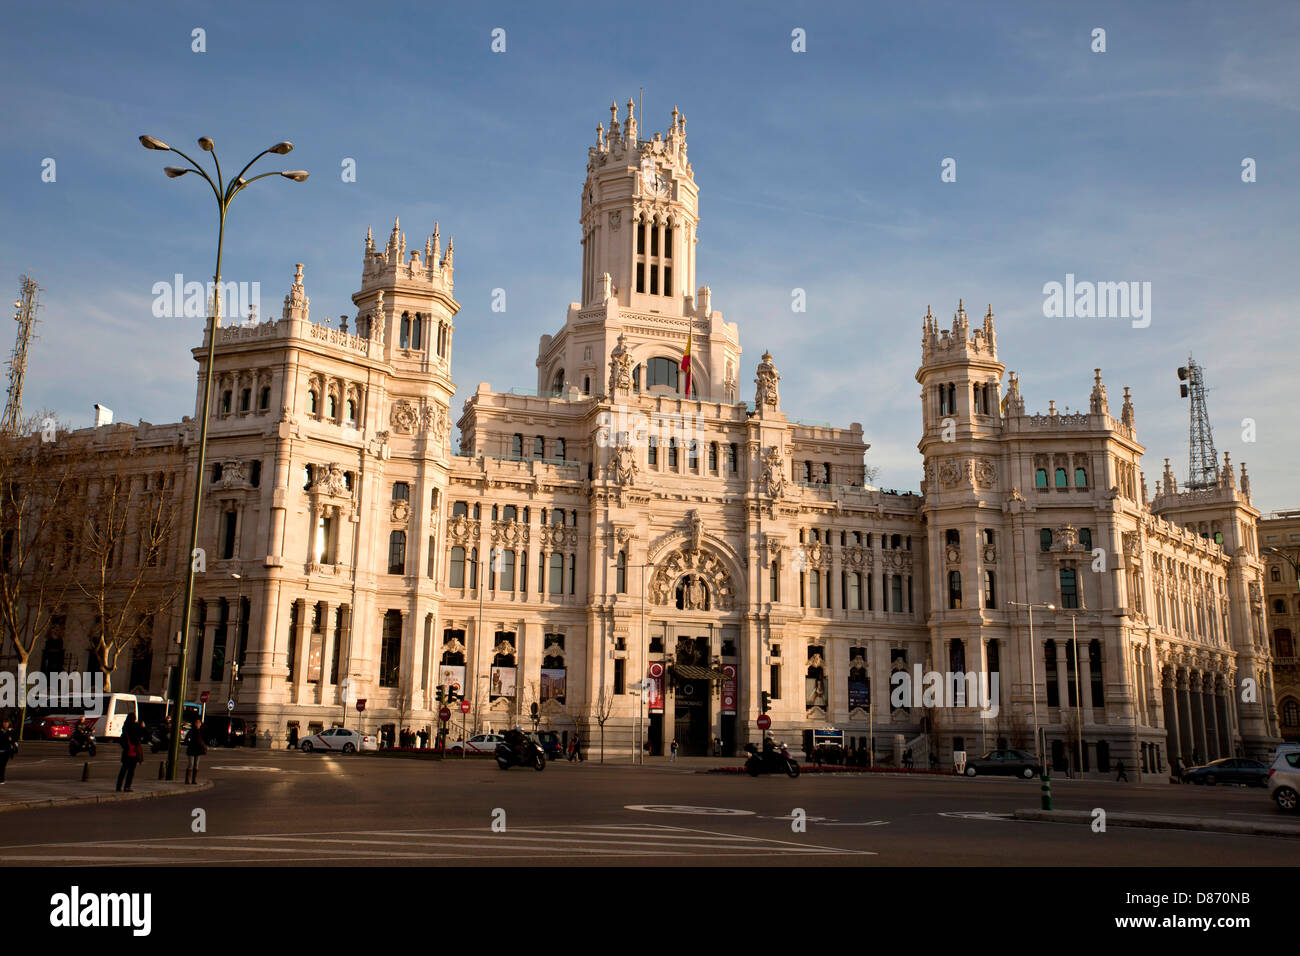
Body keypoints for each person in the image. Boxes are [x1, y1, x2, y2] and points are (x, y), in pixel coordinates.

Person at [116, 714, 143, 792]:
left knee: (123, 770)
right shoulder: (137, 726)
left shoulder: (125, 727)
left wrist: (126, 747)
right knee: (131, 771)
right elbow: (145, 734)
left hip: (126, 752)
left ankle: (118, 786)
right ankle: (127, 787)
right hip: (134, 752)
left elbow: (122, 740)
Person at [185, 718, 207, 784]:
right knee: (190, 764)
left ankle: (194, 780)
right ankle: (187, 780)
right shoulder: (191, 731)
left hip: (198, 750)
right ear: (194, 724)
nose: (198, 724)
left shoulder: (202, 731)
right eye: (196, 723)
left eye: (199, 723)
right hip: (191, 749)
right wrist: (189, 743)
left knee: (196, 765)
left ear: (200, 724)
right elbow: (186, 739)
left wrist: (204, 746)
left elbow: (203, 740)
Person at [0, 718, 16, 784]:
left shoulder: (11, 731)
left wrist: (11, 739)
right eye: (4, 722)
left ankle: (1, 779)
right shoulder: (0, 731)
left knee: (2, 765)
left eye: (6, 722)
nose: (5, 724)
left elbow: (14, 741)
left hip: (6, 751)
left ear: (9, 723)